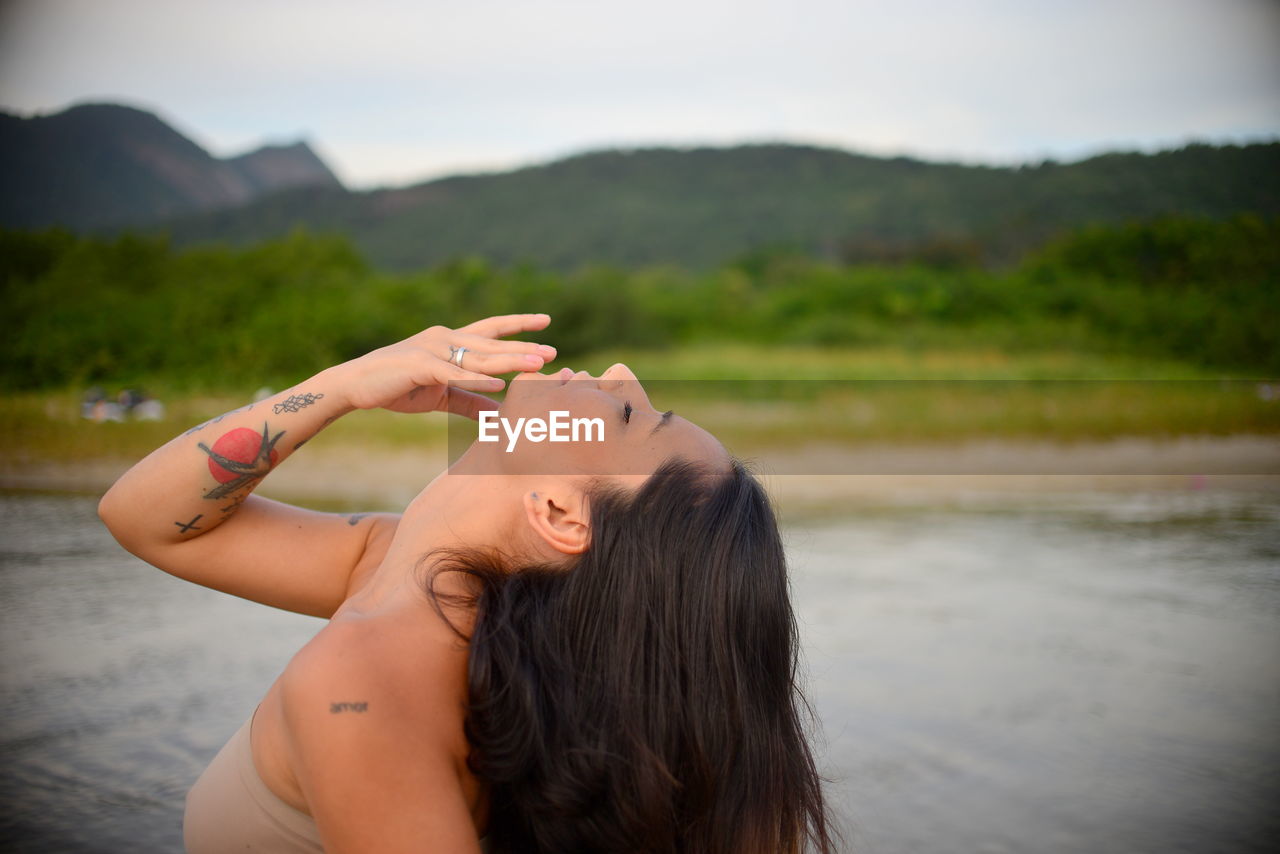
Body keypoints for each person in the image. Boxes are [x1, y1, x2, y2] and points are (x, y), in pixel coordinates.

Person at [99, 313, 837, 853]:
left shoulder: (366, 677)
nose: (620, 375)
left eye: (628, 415)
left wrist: (341, 386)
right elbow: (146, 518)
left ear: (559, 511)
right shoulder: (402, 571)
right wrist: (344, 385)